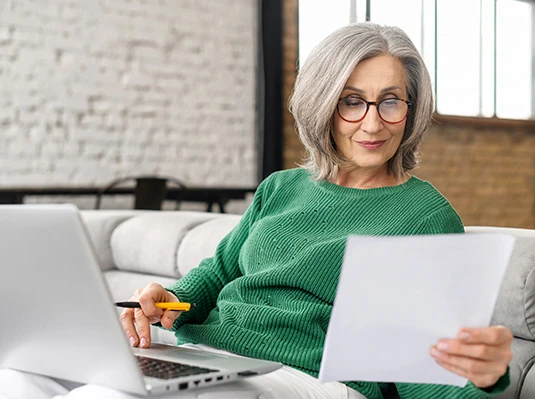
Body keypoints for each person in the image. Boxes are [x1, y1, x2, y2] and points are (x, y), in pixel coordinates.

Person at [0, 22, 513, 399]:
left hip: (304, 377)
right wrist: (166, 299)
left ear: (411, 108)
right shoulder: (281, 188)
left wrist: (487, 380)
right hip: (203, 355)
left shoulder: (423, 216)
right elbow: (218, 274)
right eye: (351, 101)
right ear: (323, 105)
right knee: (19, 377)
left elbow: (420, 368)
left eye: (390, 101)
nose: (372, 122)